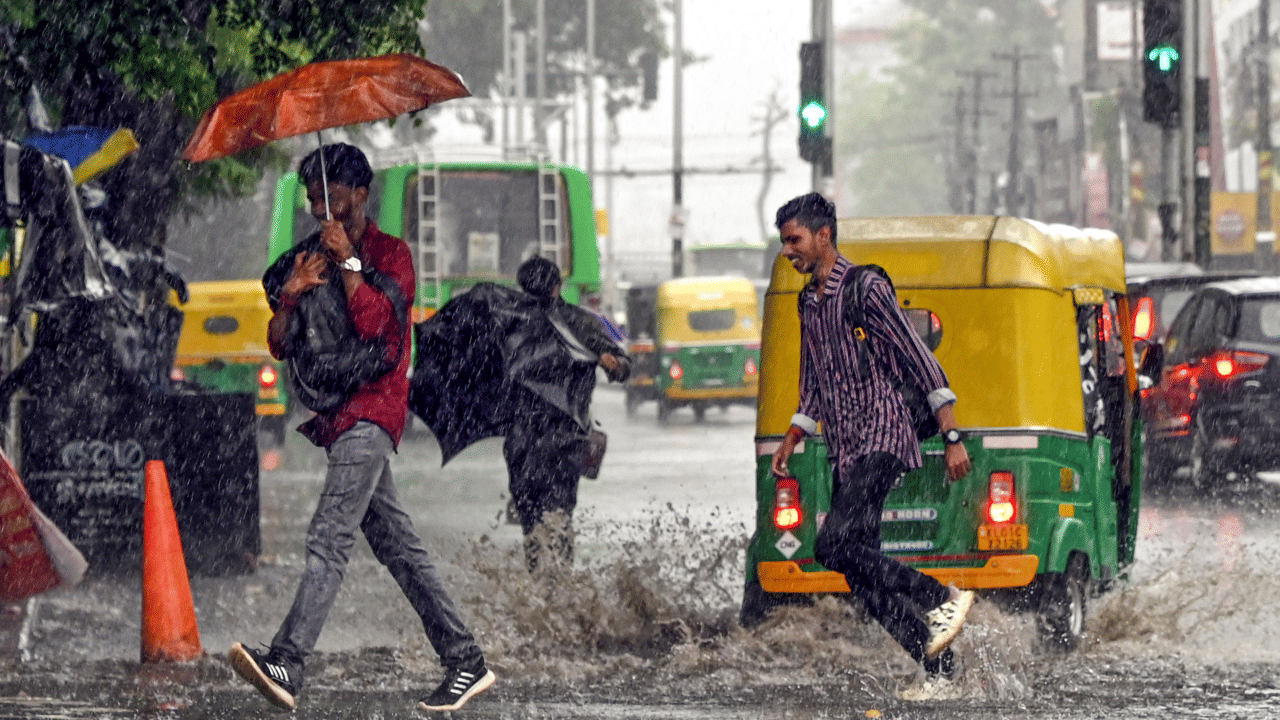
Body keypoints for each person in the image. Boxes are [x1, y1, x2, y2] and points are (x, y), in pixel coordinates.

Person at [229, 144, 495, 714]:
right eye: (313, 197)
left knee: (329, 538)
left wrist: (349, 261)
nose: (321, 205)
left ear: (360, 194)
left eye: (331, 194)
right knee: (400, 550)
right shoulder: (306, 258)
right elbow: (280, 342)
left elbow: (378, 327)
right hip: (335, 417)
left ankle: (288, 660)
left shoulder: (392, 255)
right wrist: (295, 292)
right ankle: (466, 660)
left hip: (373, 412)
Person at [768, 193, 976, 701]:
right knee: (864, 583)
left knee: (830, 545)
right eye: (783, 243)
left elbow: (919, 359)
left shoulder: (866, 288)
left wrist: (951, 436)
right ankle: (941, 671)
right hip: (845, 448)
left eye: (794, 240)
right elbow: (812, 381)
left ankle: (941, 595)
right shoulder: (807, 301)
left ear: (824, 236)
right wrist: (793, 436)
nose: (788, 251)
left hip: (883, 434)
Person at [504, 256, 630, 573]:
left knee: (532, 521)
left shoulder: (509, 325)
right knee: (559, 516)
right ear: (558, 286)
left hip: (525, 438)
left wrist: (612, 362)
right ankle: (562, 589)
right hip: (564, 436)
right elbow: (622, 365)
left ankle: (539, 584)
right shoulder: (579, 322)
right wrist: (613, 363)